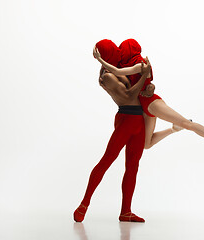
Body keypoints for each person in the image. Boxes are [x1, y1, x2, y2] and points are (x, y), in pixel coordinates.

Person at [93, 39, 204, 153]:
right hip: (143, 107)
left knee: (187, 124)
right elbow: (119, 71)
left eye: (123, 50)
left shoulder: (141, 65)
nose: (121, 52)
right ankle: (173, 129)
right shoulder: (129, 65)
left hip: (151, 102)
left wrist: (99, 59)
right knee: (146, 144)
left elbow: (119, 73)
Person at [74, 39, 151, 223]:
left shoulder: (118, 67)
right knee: (107, 160)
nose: (118, 51)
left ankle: (126, 211)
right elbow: (129, 95)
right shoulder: (107, 76)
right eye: (113, 49)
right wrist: (143, 76)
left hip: (138, 119)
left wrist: (148, 86)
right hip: (126, 119)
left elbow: (139, 92)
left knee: (133, 166)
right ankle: (84, 205)